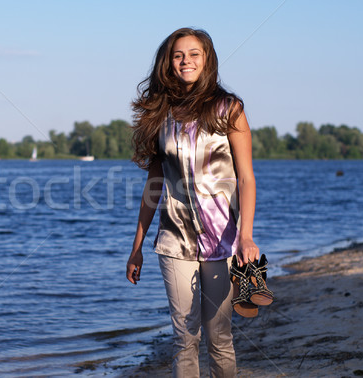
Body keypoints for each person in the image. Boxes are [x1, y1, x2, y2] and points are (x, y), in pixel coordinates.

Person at [126, 28, 260, 377]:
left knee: (219, 336)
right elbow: (154, 185)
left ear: (207, 59)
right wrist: (137, 246)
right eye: (178, 55)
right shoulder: (161, 113)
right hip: (174, 240)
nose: (186, 61)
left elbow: (246, 177)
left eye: (194, 54)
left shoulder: (228, 108)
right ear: (168, 63)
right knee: (184, 338)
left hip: (223, 241)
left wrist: (245, 236)